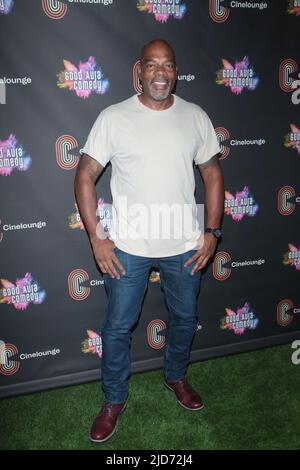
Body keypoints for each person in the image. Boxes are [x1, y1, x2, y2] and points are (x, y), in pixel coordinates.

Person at [74, 38, 224, 443]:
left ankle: (176, 377)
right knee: (118, 328)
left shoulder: (194, 116)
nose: (161, 73)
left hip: (183, 244)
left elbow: (211, 173)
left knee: (184, 318)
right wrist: (97, 238)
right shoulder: (114, 117)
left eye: (169, 65)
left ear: (176, 71)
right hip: (127, 246)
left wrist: (211, 232)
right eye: (153, 65)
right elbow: (85, 174)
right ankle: (114, 400)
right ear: (139, 70)